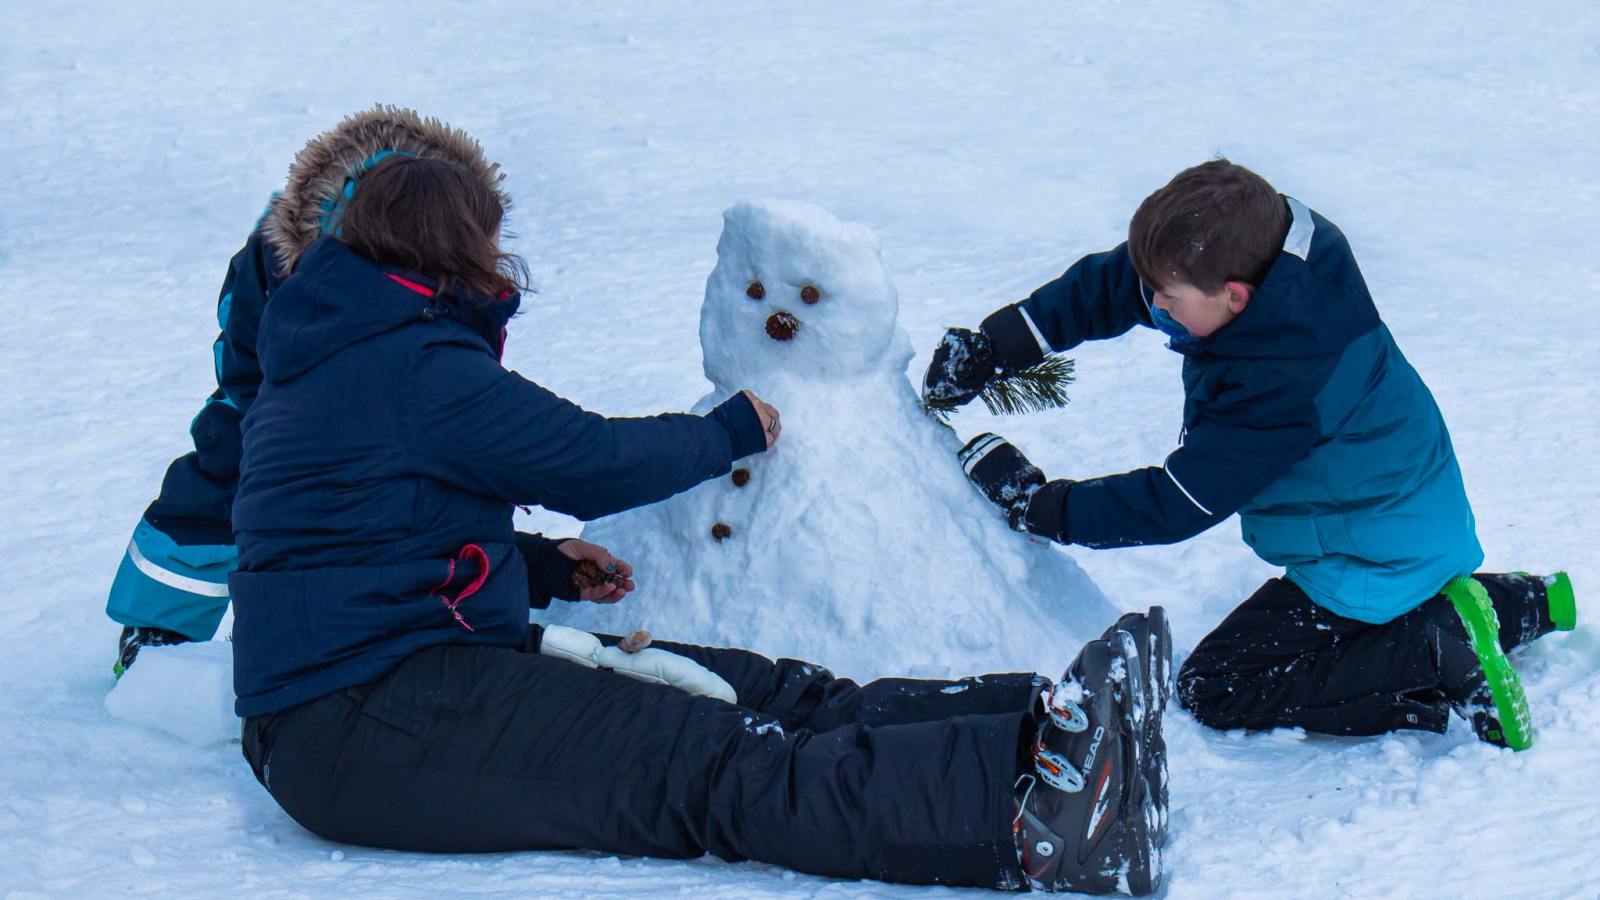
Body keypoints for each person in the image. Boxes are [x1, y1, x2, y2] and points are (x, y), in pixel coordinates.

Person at [230, 149, 1172, 895]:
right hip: (354, 723)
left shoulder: (349, 349)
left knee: (756, 690)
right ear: (448, 247)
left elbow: (365, 531)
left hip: (403, 673)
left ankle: (1042, 728)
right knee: (707, 763)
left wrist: (545, 565)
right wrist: (725, 431)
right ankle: (1038, 825)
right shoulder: (404, 362)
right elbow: (585, 458)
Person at [928, 159, 1576, 751]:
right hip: (1409, 508)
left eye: (1168, 300)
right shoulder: (1267, 256)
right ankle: (1524, 603)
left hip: (1365, 549)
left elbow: (1179, 502)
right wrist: (1000, 344)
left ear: (1234, 297)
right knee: (1361, 607)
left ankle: (1433, 650)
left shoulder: (1282, 384)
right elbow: (1118, 285)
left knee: (1216, 687)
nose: (1153, 306)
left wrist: (1042, 507)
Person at [105, 105, 508, 677]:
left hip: (403, 387)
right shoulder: (280, 259)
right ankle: (157, 626)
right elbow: (243, 360)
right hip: (283, 381)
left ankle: (424, 604)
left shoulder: (459, 247)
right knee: (233, 464)